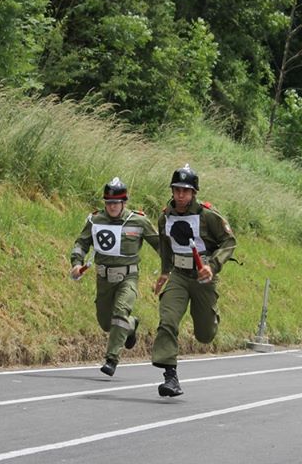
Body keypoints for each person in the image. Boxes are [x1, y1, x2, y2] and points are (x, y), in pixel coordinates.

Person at [151, 165, 237, 397]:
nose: (181, 195)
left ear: (193, 193)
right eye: (177, 190)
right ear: (172, 191)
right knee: (167, 320)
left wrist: (213, 265)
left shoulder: (208, 216)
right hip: (178, 275)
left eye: (186, 191)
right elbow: (165, 246)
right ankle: (170, 376)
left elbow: (229, 242)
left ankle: (212, 316)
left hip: (203, 278)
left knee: (205, 334)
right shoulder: (164, 217)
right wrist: (164, 273)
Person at [70, 178, 159, 376]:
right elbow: (81, 243)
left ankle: (111, 359)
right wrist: (76, 263)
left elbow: (160, 245)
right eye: (108, 202)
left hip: (128, 277)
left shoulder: (139, 221)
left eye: (116, 203)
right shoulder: (95, 220)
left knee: (120, 313)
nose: (112, 206)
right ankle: (131, 325)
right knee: (106, 323)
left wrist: (168, 269)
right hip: (103, 279)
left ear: (124, 202)